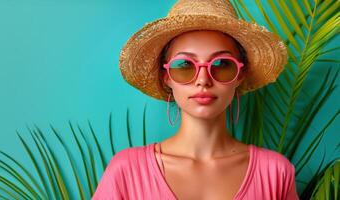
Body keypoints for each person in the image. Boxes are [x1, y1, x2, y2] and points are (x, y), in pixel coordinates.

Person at [92, 0, 299, 199]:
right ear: (166, 77)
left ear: (240, 75)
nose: (203, 80)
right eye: (184, 65)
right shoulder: (126, 171)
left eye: (221, 64)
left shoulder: (276, 172)